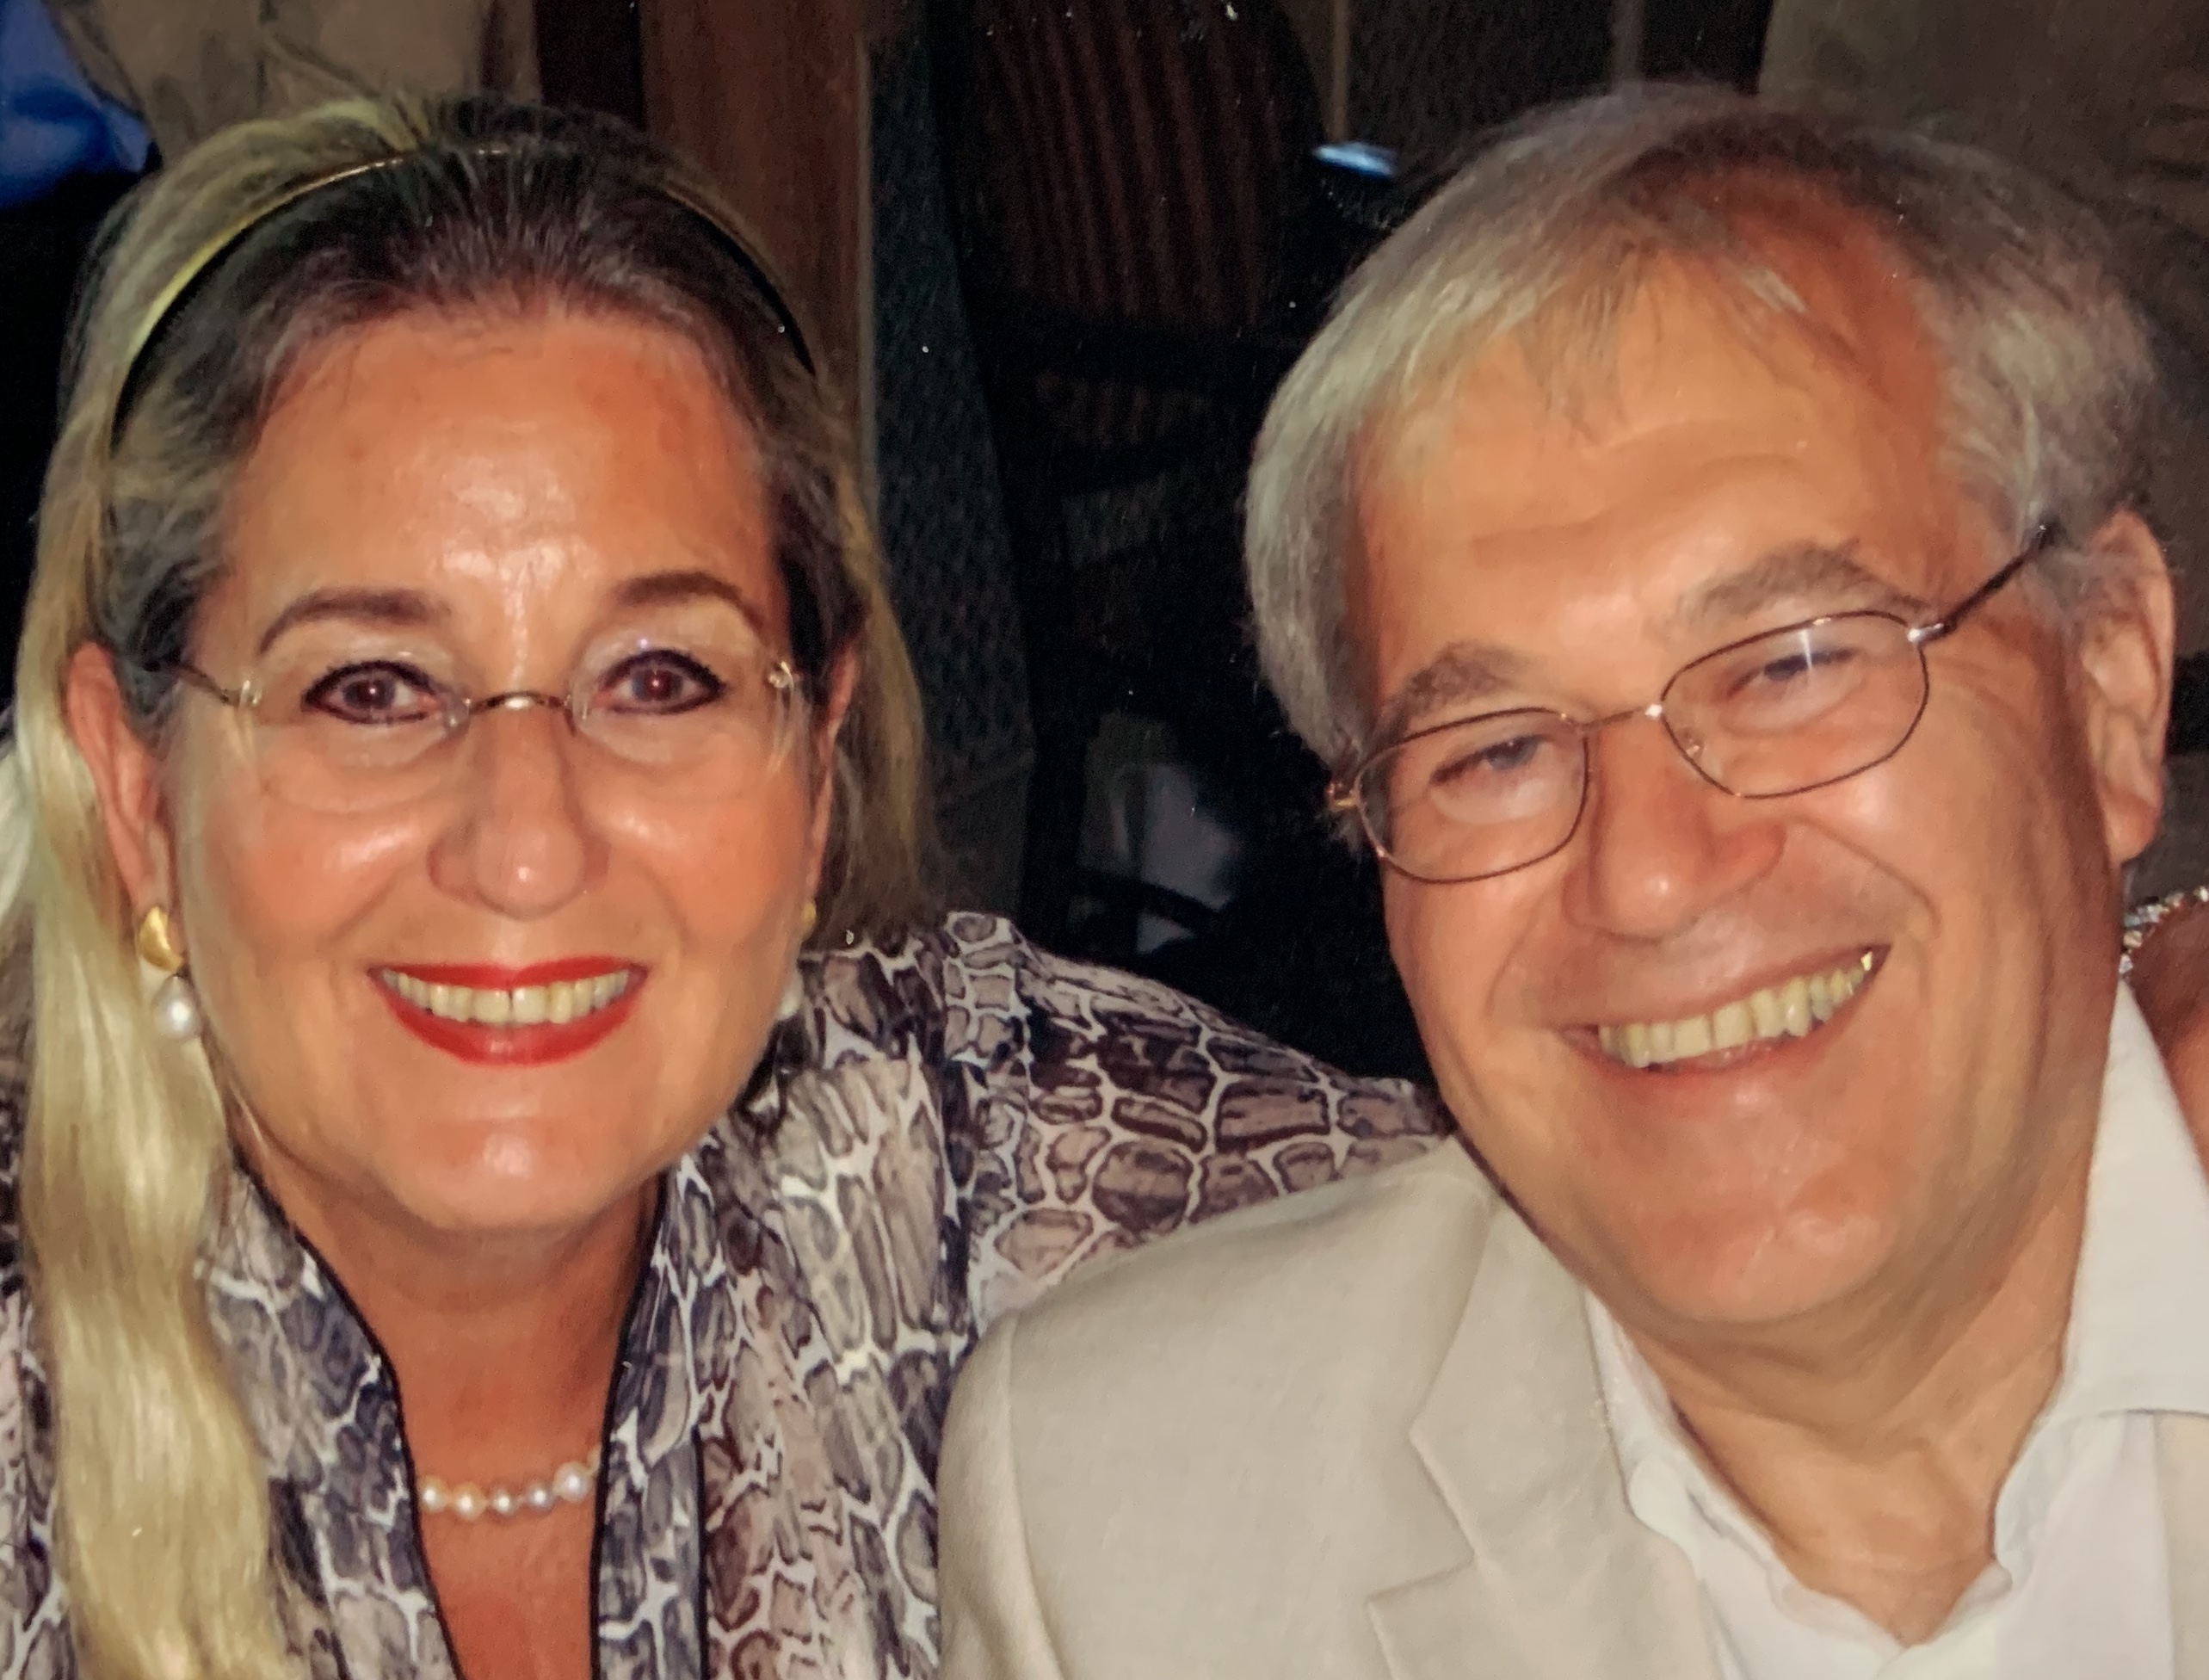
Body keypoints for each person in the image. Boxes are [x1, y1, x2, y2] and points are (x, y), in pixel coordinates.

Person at [0, 94, 1449, 1680]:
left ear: (816, 768)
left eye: (658, 678)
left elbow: (1566, 1205)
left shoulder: (953, 1157)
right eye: (372, 690)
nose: (528, 846)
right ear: (138, 792)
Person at [939, 86, 2209, 1677]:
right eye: (1493, 751)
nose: (1653, 874)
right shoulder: (1128, 1532)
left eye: (1789, 662)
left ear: (2109, 683)